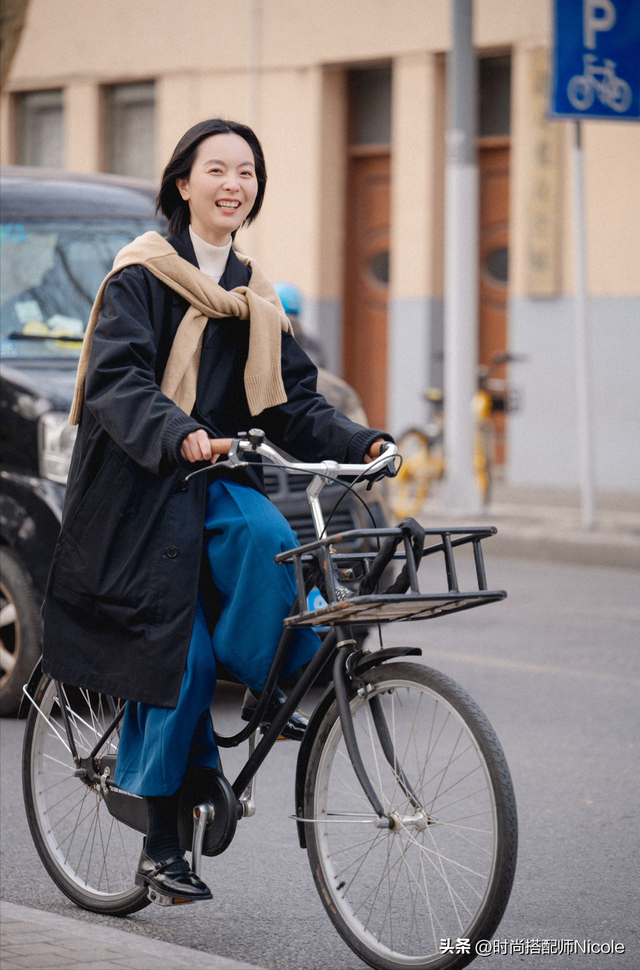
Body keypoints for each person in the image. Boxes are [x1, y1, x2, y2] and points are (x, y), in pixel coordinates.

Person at [42, 119, 390, 904]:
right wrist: (184, 432)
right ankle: (161, 844)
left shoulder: (252, 295)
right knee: (180, 660)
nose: (235, 184)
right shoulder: (142, 276)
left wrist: (364, 442)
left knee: (270, 538)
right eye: (218, 170)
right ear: (182, 184)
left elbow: (294, 405)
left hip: (212, 487)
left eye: (248, 172)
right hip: (137, 491)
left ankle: (262, 687)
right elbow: (118, 381)